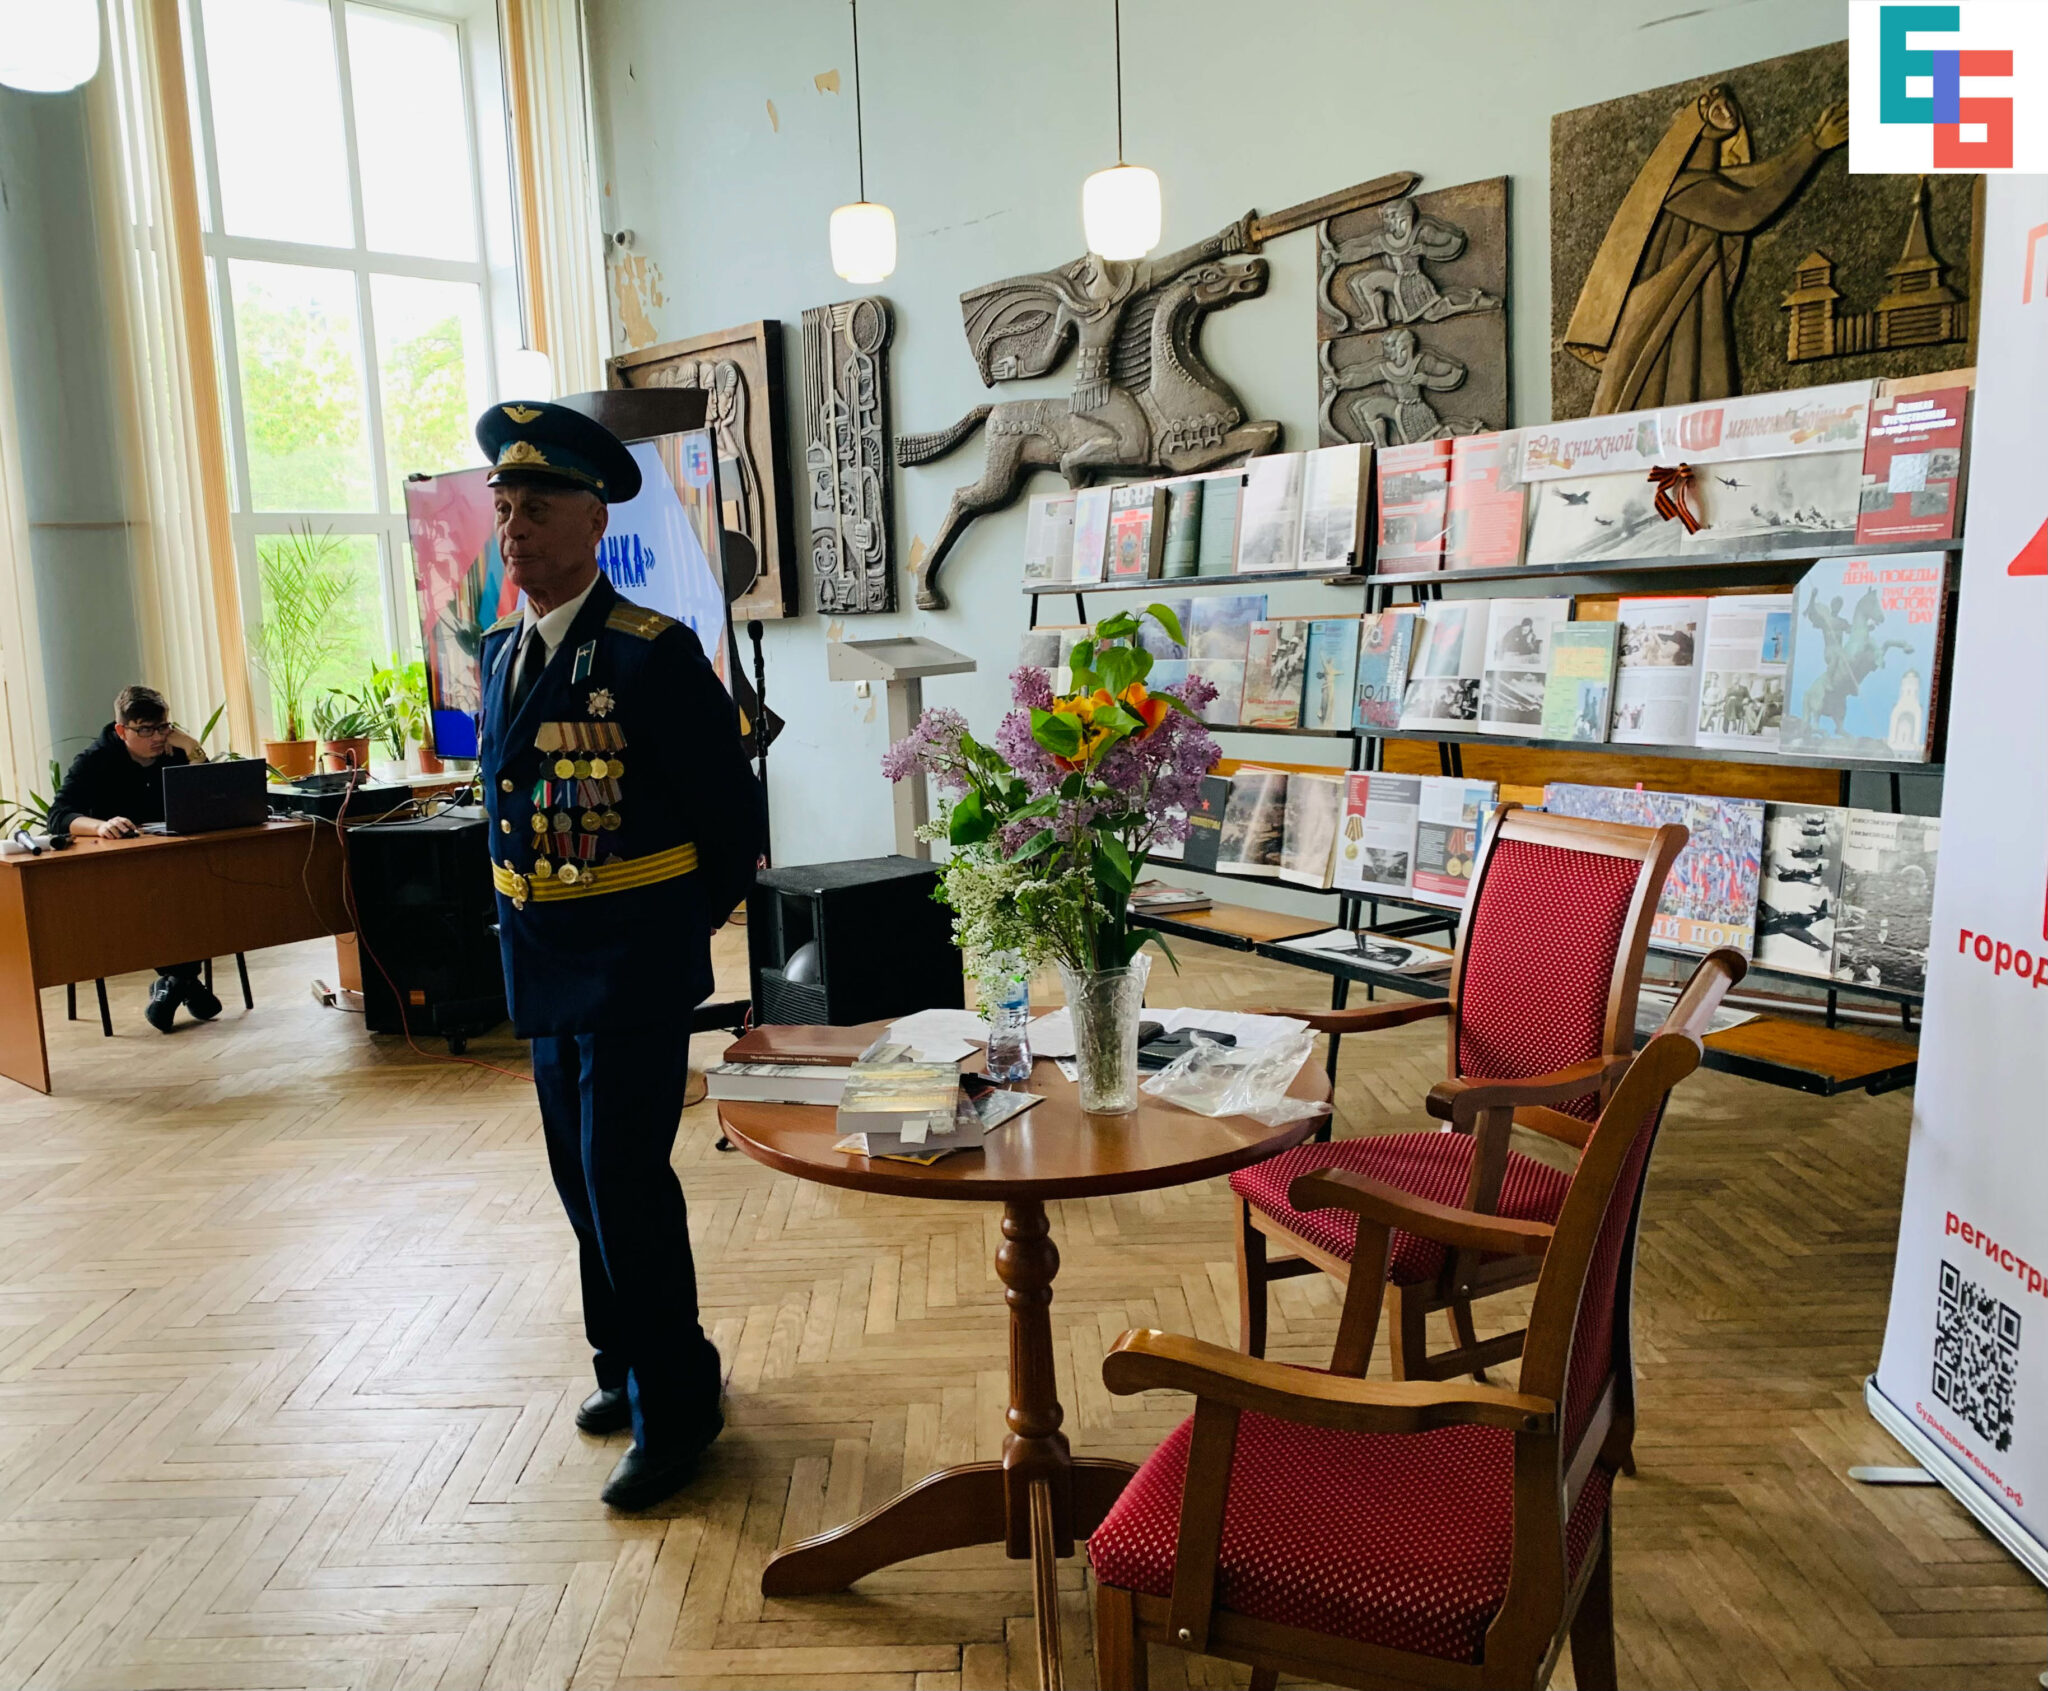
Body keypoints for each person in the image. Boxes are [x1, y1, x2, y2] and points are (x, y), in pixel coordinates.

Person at [473, 399, 763, 1511]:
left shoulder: (651, 653)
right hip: (544, 958)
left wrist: (668, 932)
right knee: (576, 1177)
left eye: (538, 509)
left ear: (595, 522)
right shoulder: (500, 651)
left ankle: (677, 1403)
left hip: (633, 963)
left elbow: (730, 828)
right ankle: (623, 1363)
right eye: (504, 508)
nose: (514, 529)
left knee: (623, 1181)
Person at [46, 685, 222, 1032]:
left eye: (163, 727)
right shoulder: (95, 760)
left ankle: (174, 984)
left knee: (194, 890)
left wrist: (193, 748)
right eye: (145, 730)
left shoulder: (175, 751)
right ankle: (184, 982)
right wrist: (100, 826)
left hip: (173, 862)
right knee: (159, 898)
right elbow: (59, 815)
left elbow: (213, 799)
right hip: (117, 872)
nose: (157, 737)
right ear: (121, 730)